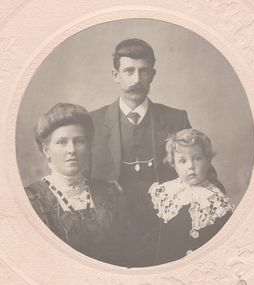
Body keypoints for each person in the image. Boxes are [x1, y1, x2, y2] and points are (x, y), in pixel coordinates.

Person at [89, 38, 224, 267]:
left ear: (152, 74)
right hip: (113, 230)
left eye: (143, 72)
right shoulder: (94, 121)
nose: (136, 80)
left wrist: (218, 207)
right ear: (115, 74)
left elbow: (204, 174)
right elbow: (80, 182)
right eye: (129, 71)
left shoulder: (175, 118)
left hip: (164, 231)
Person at [25, 103, 124, 265]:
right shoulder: (33, 201)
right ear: (46, 150)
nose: (72, 149)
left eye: (79, 141)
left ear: (89, 147)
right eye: (62, 142)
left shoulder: (110, 193)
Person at [149, 129, 235, 265]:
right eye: (182, 161)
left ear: (208, 161)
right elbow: (158, 236)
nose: (191, 166)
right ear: (174, 165)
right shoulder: (165, 193)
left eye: (197, 158)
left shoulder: (218, 202)